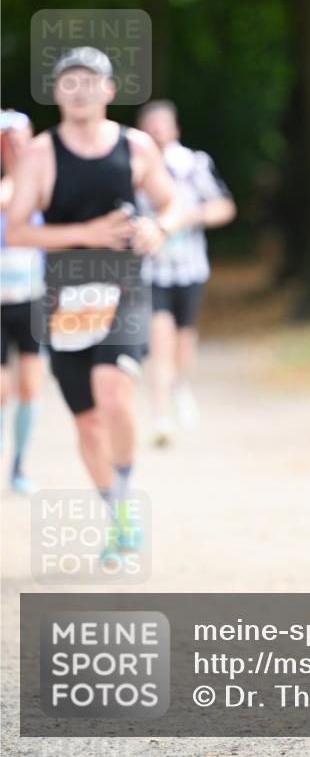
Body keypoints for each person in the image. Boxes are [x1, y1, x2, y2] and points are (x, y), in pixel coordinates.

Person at [5, 48, 177, 561]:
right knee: (86, 421)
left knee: (113, 391)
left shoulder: (136, 146)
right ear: (56, 92)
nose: (79, 90)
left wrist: (158, 226)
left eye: (90, 80)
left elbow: (171, 202)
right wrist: (86, 233)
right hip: (61, 301)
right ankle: (116, 507)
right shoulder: (40, 154)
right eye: (68, 82)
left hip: (124, 287)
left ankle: (123, 489)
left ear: (109, 89)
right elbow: (14, 230)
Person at [136, 100, 236, 446]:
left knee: (183, 341)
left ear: (174, 130)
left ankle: (179, 385)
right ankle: (161, 415)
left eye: (162, 125)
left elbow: (224, 207)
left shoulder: (194, 164)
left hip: (190, 268)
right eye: (150, 125)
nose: (156, 131)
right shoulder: (133, 168)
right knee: (159, 340)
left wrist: (188, 216)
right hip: (151, 272)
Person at [0, 111, 45, 494]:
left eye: (20, 139)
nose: (15, 146)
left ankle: (19, 466)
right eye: (7, 140)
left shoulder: (43, 184)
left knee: (31, 385)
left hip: (31, 297)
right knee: (0, 388)